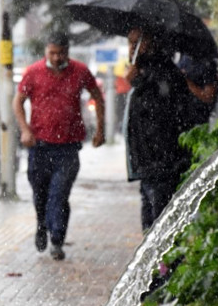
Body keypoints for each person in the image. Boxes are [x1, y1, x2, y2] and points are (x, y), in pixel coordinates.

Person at [13, 32, 105, 261]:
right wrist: (25, 129)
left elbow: (97, 97)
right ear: (46, 51)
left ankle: (57, 239)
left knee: (59, 194)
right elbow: (18, 101)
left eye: (61, 53)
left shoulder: (80, 71)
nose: (56, 58)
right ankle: (42, 224)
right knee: (40, 194)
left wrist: (100, 129)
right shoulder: (33, 72)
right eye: (52, 53)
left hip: (68, 147)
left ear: (68, 52)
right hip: (39, 146)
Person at [123, 26, 198, 231]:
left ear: (151, 43)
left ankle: (166, 264)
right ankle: (158, 263)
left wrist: (138, 82)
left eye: (136, 42)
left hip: (161, 164)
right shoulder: (146, 71)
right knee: (151, 224)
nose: (131, 48)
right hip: (148, 164)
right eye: (129, 43)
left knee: (160, 224)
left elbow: (159, 116)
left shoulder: (163, 73)